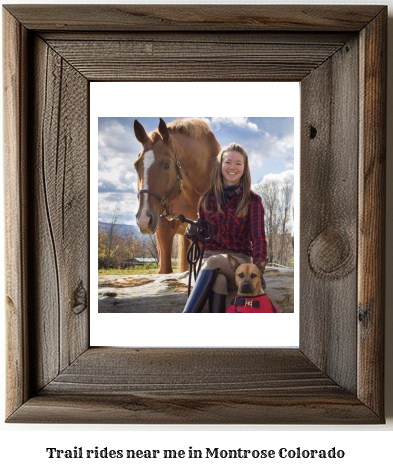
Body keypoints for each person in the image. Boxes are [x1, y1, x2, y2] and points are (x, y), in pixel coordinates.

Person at [183, 142, 267, 313]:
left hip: (237, 263)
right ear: (220, 165)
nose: (232, 167)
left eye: (238, 163)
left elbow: (258, 238)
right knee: (218, 280)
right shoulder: (207, 198)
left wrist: (259, 269)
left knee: (215, 262)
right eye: (228, 162)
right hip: (208, 259)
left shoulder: (253, 201)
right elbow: (202, 238)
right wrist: (192, 233)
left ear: (244, 168)